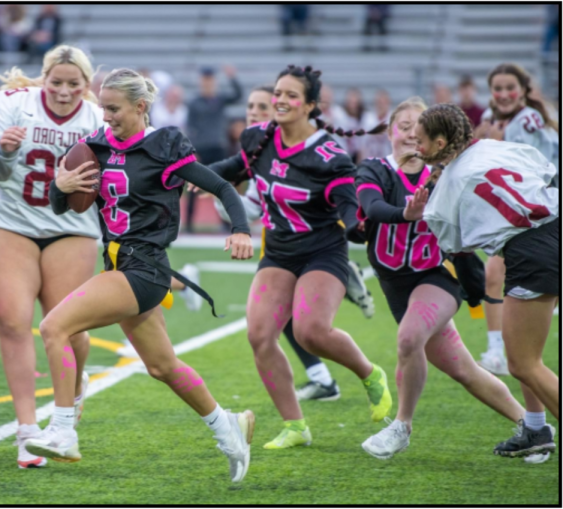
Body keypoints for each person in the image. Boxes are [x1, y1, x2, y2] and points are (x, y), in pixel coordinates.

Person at [28, 68, 256, 483]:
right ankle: (230, 427)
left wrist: (241, 229)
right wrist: (60, 185)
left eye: (114, 108)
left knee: (54, 327)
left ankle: (62, 430)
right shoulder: (93, 145)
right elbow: (65, 206)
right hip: (119, 265)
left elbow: (223, 188)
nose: (106, 116)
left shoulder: (164, 145)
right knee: (162, 366)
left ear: (141, 107)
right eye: (103, 107)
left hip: (144, 266)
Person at [207, 65, 392, 450]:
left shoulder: (330, 157)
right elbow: (227, 172)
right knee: (259, 335)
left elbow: (347, 210)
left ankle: (370, 374)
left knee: (310, 331)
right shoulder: (258, 137)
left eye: (292, 95)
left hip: (322, 252)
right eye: (278, 93)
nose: (281, 101)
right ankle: (295, 426)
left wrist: (361, 227)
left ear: (310, 105)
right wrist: (178, 175)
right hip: (278, 251)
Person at [356, 97, 526, 459]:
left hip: (438, 276)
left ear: (435, 138)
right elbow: (371, 208)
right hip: (396, 286)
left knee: (408, 338)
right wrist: (406, 212)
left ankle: (401, 426)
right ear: (389, 132)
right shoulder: (374, 169)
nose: (411, 136)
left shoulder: (451, 174)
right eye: (404, 127)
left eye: (420, 130)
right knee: (464, 369)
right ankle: (532, 426)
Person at [0, 45, 104, 469]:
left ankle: (74, 388)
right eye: (56, 82)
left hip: (73, 228)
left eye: (74, 84)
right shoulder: (9, 104)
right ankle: (27, 430)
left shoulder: (99, 119)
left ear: (87, 85)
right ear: (41, 78)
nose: (64, 92)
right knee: (12, 322)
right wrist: (5, 153)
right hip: (12, 221)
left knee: (66, 326)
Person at [416, 103, 558, 460]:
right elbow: (549, 176)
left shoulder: (441, 197)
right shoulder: (499, 146)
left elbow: (463, 261)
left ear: (439, 142)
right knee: (525, 351)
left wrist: (475, 296)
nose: (414, 149)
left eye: (419, 142)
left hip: (531, 252)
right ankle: (536, 428)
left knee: (523, 363)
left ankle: (538, 428)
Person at [474, 64, 559, 379]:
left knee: (494, 275)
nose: (504, 94)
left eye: (511, 87)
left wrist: (493, 144)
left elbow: (526, 173)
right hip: (529, 216)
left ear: (524, 90)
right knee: (497, 278)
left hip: (540, 216)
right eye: (498, 88)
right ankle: (501, 350)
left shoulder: (525, 122)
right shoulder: (497, 117)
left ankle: (498, 351)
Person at [185, 65, 242, 232]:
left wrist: (232, 78)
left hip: (218, 148)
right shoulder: (194, 103)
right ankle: (189, 225)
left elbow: (238, 95)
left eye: (210, 81)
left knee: (222, 187)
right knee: (193, 188)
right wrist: (192, 151)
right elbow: (190, 128)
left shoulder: (220, 99)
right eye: (205, 81)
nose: (208, 84)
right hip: (201, 150)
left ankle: (226, 223)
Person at [360, 89, 392, 161]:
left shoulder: (393, 120)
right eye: (379, 102)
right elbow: (362, 145)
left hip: (388, 161)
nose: (381, 105)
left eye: (384, 102)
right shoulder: (368, 118)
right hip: (371, 161)